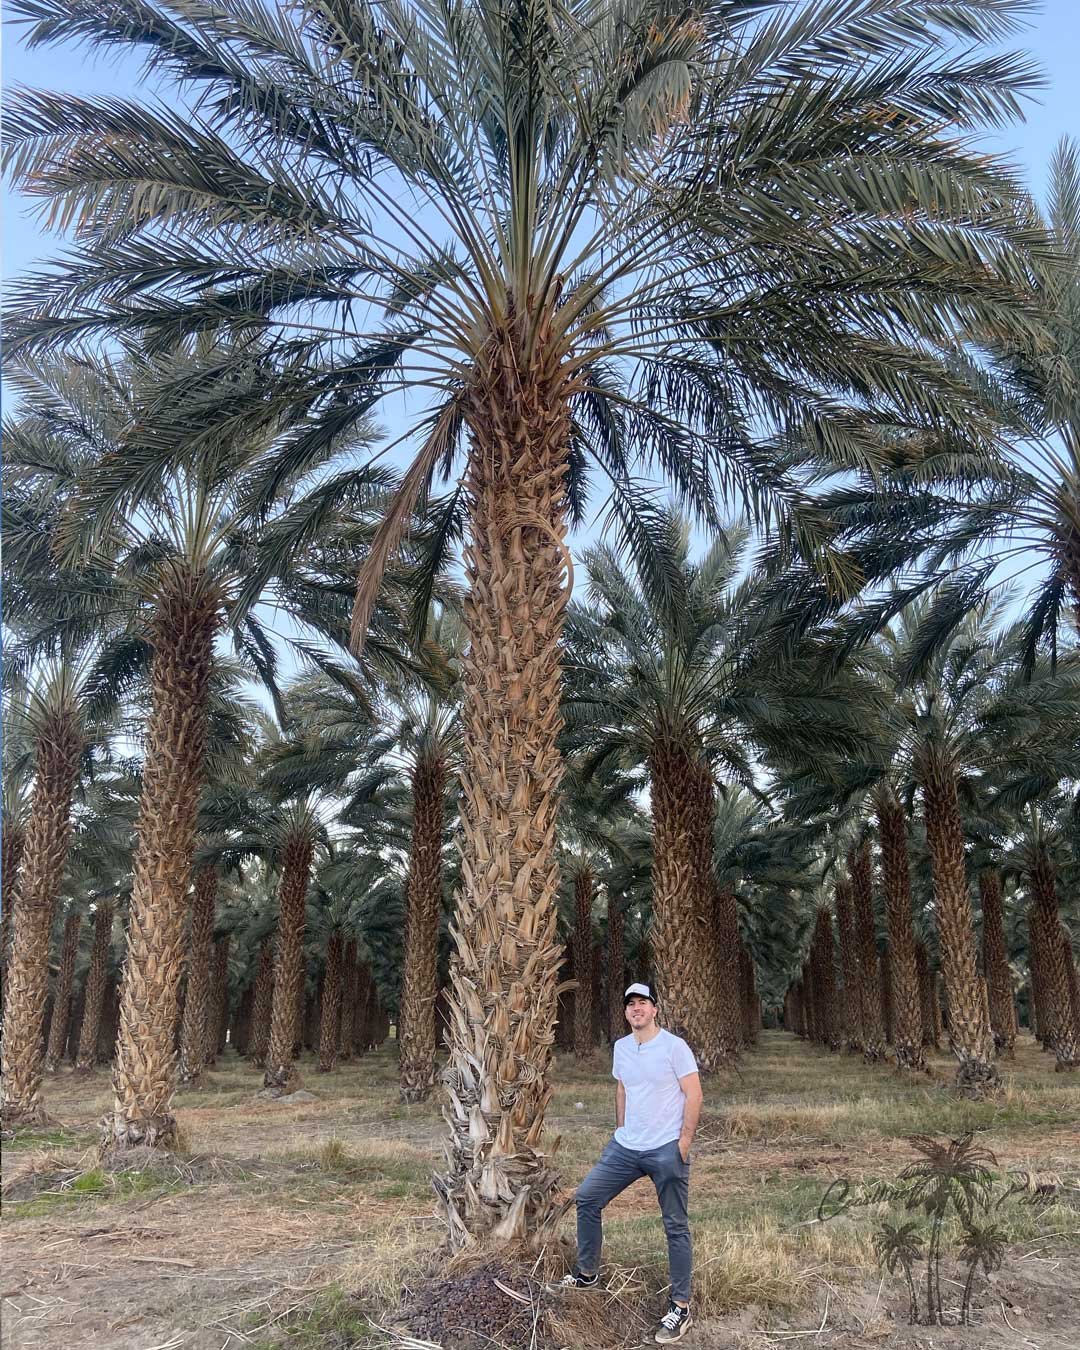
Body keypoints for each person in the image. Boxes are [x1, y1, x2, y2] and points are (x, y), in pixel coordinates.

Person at [550, 982, 702, 1343]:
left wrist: (683, 1142)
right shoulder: (621, 1047)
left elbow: (694, 1093)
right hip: (626, 1147)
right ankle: (587, 1274)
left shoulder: (674, 1047)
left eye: (643, 1003)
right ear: (625, 1012)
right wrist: (620, 1129)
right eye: (630, 1004)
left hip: (666, 1148)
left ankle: (680, 1307)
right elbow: (622, 1088)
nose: (637, 1009)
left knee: (675, 1226)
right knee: (587, 1198)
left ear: (654, 1009)